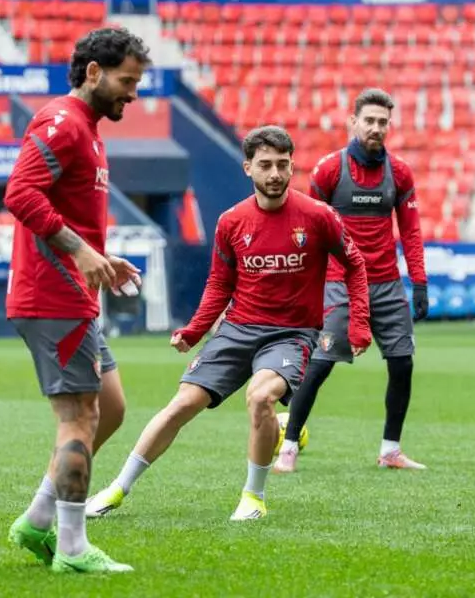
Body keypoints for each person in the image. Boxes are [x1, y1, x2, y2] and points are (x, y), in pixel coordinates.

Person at [85, 125, 371, 522]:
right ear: (247, 168)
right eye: (266, 165)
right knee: (181, 405)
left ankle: (253, 498)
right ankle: (117, 488)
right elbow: (220, 283)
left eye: (283, 165)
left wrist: (358, 324)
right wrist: (195, 330)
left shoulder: (319, 216)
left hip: (291, 335)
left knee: (259, 398)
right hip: (236, 330)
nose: (275, 173)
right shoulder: (231, 222)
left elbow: (355, 263)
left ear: (292, 168)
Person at [4, 27, 150, 576]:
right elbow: (19, 193)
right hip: (51, 295)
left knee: (108, 407)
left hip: (73, 294)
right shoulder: (62, 122)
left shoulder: (87, 128)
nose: (132, 94)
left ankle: (37, 519)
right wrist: (82, 252)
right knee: (80, 415)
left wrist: (101, 262)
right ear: (94, 71)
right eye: (126, 81)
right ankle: (70, 546)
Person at [273, 88, 428, 474]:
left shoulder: (401, 173)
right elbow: (309, 230)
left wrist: (420, 283)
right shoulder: (329, 170)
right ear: (353, 122)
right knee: (320, 365)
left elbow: (410, 232)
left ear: (389, 126)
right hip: (340, 283)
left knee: (402, 364)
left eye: (383, 122)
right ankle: (288, 447)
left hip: (388, 285)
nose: (376, 128)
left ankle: (390, 449)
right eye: (369, 121)